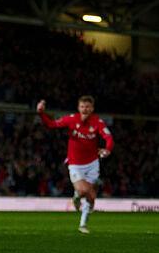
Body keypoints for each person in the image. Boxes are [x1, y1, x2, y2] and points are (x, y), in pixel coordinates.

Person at [37, 96, 114, 233]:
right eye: (82, 106)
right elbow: (51, 124)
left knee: (91, 197)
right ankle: (77, 196)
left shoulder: (97, 122)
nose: (85, 109)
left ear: (92, 109)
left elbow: (108, 137)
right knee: (84, 190)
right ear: (79, 108)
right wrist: (41, 113)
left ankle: (83, 224)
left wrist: (107, 149)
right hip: (75, 164)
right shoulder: (71, 119)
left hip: (92, 163)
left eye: (88, 107)